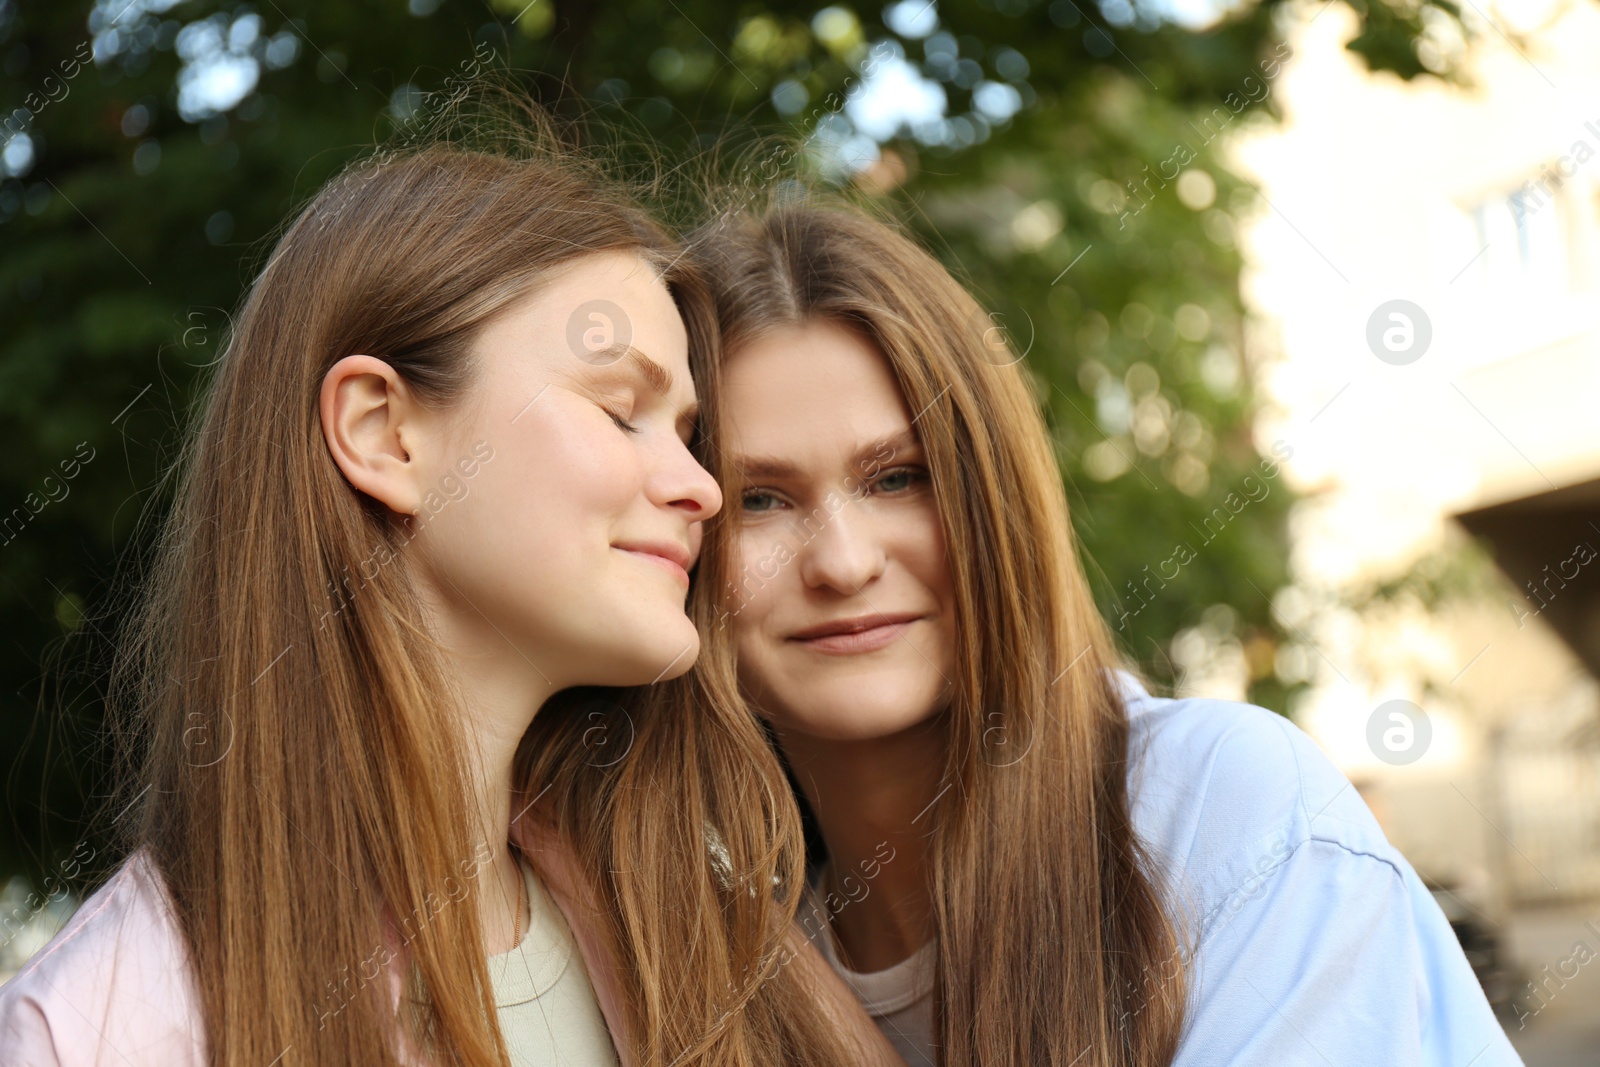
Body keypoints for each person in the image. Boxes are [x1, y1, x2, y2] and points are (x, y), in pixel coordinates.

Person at [0, 110, 900, 1067]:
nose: (703, 488)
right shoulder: (103, 1026)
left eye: (686, 432)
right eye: (618, 409)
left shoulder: (718, 941)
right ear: (385, 433)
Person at [684, 199, 1524, 1066]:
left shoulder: (1222, 812)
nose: (844, 562)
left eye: (899, 477)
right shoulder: (702, 957)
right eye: (760, 499)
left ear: (996, 498)